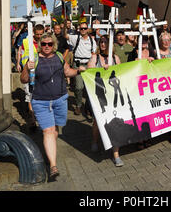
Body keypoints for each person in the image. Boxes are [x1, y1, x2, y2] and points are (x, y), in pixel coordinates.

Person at [20, 32, 86, 181]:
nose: (47, 47)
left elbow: (67, 72)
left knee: (55, 128)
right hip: (40, 101)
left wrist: (79, 71)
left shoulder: (59, 57)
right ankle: (53, 165)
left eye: (50, 44)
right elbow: (23, 79)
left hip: (60, 99)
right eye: (44, 44)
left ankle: (50, 149)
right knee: (48, 131)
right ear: (40, 45)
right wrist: (26, 68)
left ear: (54, 44)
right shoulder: (34, 59)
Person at [87, 36, 124, 166]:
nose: (103, 44)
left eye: (105, 42)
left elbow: (122, 73)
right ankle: (95, 140)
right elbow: (89, 74)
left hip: (112, 94)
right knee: (98, 121)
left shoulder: (115, 58)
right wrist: (101, 70)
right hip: (99, 95)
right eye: (101, 42)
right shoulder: (95, 58)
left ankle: (116, 154)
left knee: (115, 121)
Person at [128, 36, 156, 149]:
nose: (144, 42)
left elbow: (158, 65)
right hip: (137, 86)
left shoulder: (152, 51)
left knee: (148, 111)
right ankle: (139, 138)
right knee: (138, 112)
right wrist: (134, 63)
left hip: (149, 86)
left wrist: (153, 61)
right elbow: (127, 68)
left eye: (145, 39)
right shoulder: (132, 53)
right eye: (141, 39)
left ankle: (147, 136)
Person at [65, 22, 97, 117]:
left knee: (89, 89)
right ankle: (78, 105)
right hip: (78, 65)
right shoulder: (76, 38)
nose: (83, 30)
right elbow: (65, 36)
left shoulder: (92, 40)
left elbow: (94, 53)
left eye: (84, 28)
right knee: (79, 87)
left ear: (87, 29)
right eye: (81, 28)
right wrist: (64, 26)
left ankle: (88, 107)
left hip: (88, 65)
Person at [17, 24, 45, 130]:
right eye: (37, 34)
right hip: (29, 72)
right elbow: (20, 51)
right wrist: (19, 63)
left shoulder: (46, 42)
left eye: (41, 34)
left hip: (41, 73)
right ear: (34, 32)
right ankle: (32, 120)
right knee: (29, 96)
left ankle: (41, 116)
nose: (39, 36)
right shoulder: (26, 41)